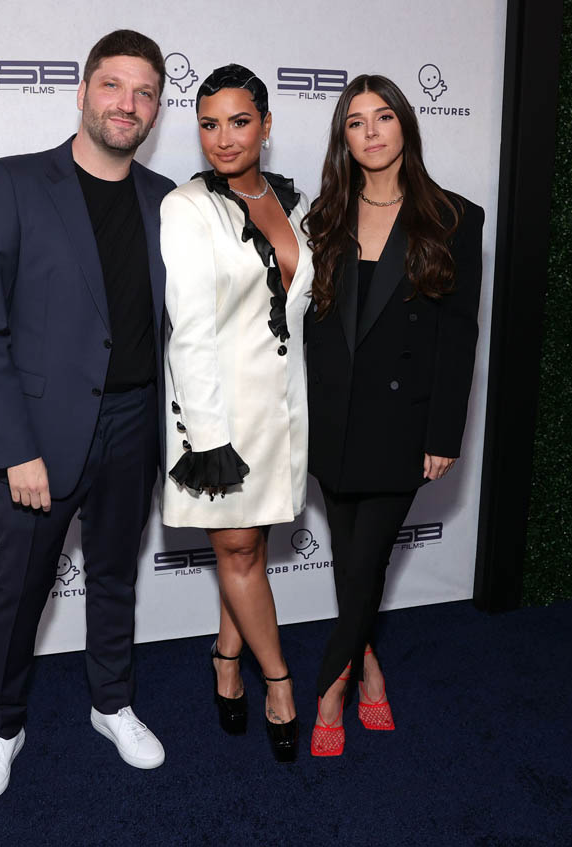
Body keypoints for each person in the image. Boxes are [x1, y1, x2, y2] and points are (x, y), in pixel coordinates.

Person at [0, 30, 176, 804]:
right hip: (41, 436)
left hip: (136, 423)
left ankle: (111, 703)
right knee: (20, 589)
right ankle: (1, 727)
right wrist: (14, 447)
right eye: (113, 85)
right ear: (82, 93)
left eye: (145, 92)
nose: (128, 103)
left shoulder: (167, 200)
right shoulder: (13, 181)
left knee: (115, 576)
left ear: (156, 110)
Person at [301, 74, 484, 756]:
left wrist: (444, 432)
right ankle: (370, 667)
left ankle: (330, 690)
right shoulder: (324, 216)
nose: (371, 131)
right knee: (353, 563)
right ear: (343, 138)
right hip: (331, 418)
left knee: (368, 556)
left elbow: (459, 335)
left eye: (383, 117)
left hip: (401, 423)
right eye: (356, 122)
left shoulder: (456, 218)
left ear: (405, 124)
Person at [159, 64, 313, 763]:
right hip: (219, 415)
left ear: (266, 125)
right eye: (209, 124)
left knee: (248, 546)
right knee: (242, 550)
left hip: (281, 410)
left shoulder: (293, 203)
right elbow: (188, 332)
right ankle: (277, 681)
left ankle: (226, 657)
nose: (223, 138)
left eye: (240, 121)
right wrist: (208, 440)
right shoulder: (188, 207)